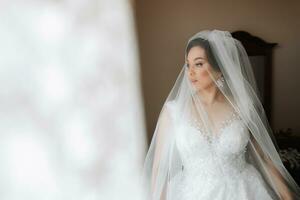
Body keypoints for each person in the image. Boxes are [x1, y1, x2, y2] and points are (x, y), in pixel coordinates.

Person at [141, 30, 300, 200]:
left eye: (199, 64)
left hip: (244, 191)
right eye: (188, 64)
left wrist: (287, 195)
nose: (190, 72)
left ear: (220, 68)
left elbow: (263, 157)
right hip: (191, 193)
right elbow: (159, 169)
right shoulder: (173, 111)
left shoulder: (244, 107)